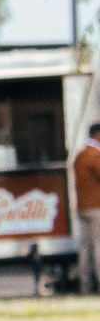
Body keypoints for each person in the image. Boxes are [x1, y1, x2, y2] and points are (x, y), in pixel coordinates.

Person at [74, 122, 100, 293]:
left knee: (85, 247)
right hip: (97, 206)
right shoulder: (95, 155)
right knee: (98, 245)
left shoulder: (80, 155)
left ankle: (84, 283)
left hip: (83, 206)